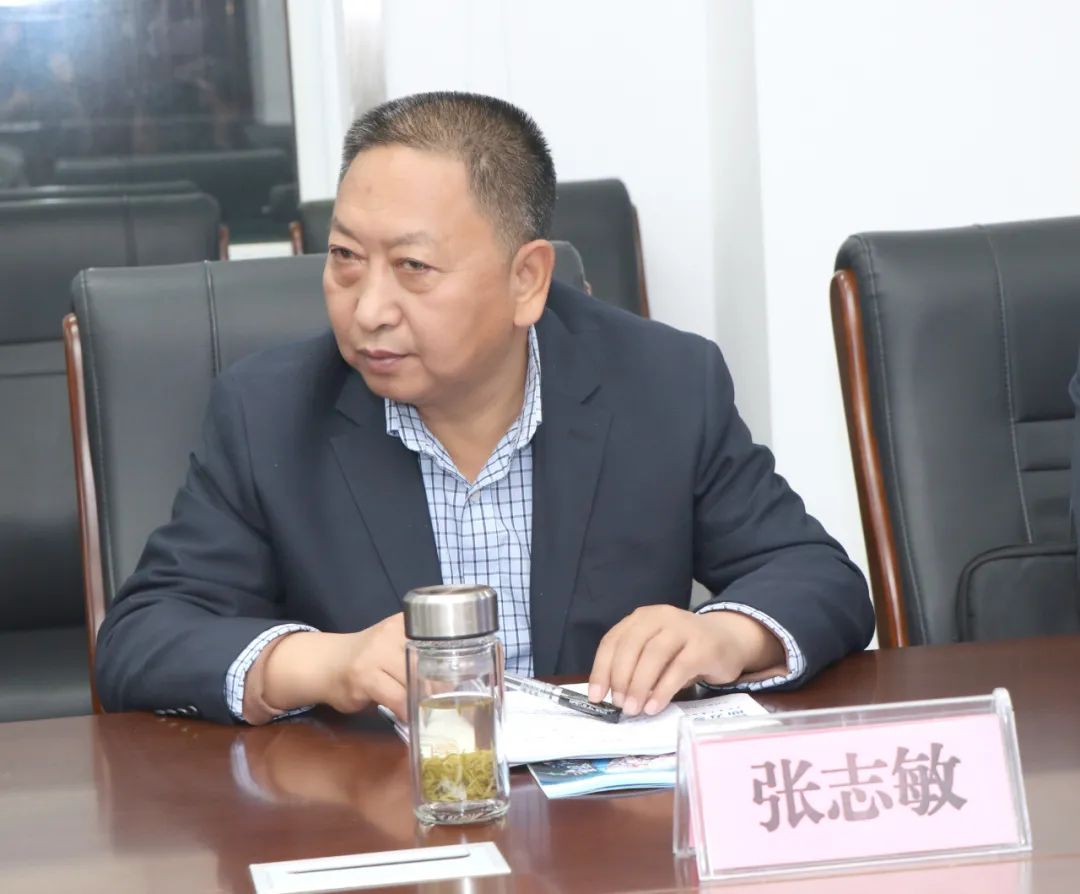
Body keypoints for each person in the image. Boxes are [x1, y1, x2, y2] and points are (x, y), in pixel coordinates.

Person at [95, 92, 874, 725]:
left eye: (413, 267)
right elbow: (142, 639)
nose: (368, 309)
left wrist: (723, 635)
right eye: (346, 259)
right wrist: (329, 664)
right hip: (376, 816)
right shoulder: (269, 411)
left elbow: (816, 576)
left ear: (526, 280)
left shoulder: (662, 384)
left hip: (607, 827)